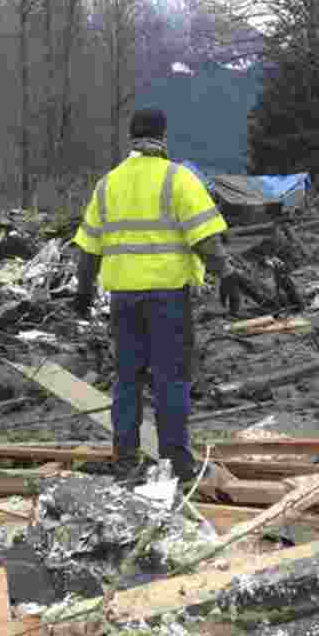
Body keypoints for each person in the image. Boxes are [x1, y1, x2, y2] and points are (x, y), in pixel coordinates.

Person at [71, 107, 243, 481]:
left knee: (127, 379)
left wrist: (83, 294)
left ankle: (125, 460)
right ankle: (176, 462)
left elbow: (88, 249)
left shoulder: (108, 184)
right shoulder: (178, 180)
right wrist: (226, 273)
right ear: (163, 137)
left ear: (131, 138)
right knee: (171, 377)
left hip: (123, 301)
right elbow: (205, 239)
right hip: (167, 298)